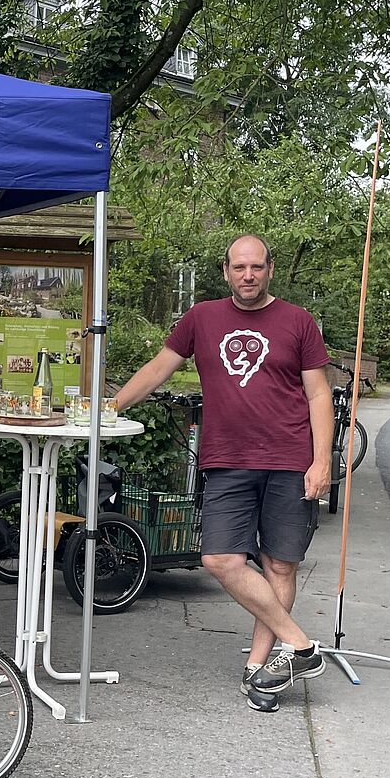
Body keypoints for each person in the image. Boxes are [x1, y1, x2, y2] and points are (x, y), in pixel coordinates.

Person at [115, 234, 332, 713]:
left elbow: (319, 395)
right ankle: (300, 646)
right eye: (239, 267)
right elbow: (158, 369)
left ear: (270, 269)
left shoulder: (299, 321)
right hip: (228, 459)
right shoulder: (201, 318)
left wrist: (321, 461)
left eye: (256, 267)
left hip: (290, 459)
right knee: (219, 558)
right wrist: (109, 406)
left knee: (279, 564)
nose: (248, 275)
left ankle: (259, 672)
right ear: (226, 271)